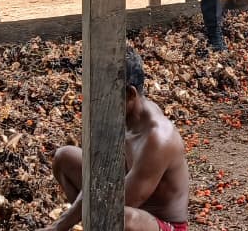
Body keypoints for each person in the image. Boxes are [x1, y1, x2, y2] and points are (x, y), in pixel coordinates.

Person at [40, 49, 189, 231]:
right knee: (64, 157)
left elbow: (112, 200)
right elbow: (99, 178)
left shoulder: (158, 139)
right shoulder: (122, 115)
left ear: (130, 94)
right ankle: (91, 225)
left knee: (117, 216)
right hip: (123, 203)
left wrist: (58, 227)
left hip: (161, 225)